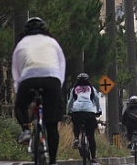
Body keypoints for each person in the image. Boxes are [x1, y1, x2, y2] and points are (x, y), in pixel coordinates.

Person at [12, 17, 65, 165]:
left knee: (20, 106)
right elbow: (62, 66)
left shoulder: (21, 44)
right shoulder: (53, 43)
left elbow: (16, 71)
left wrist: (19, 93)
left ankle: (25, 130)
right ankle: (53, 161)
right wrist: (57, 88)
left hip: (29, 79)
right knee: (52, 125)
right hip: (52, 79)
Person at [67, 73, 102, 165]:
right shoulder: (91, 89)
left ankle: (76, 138)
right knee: (91, 136)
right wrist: (99, 110)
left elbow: (70, 101)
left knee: (76, 124)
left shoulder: (74, 89)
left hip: (77, 110)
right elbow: (97, 99)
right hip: (89, 111)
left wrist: (69, 111)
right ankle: (94, 158)